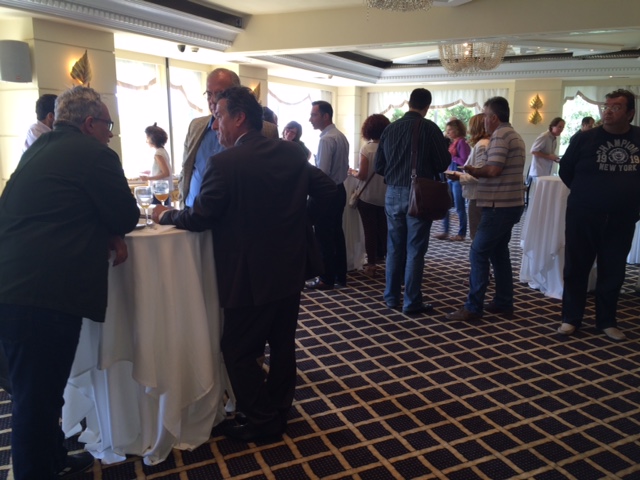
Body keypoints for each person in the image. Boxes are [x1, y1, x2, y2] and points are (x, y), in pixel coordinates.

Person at [152, 86, 335, 442]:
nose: (215, 125)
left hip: (250, 275)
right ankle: (280, 409)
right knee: (283, 344)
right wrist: (297, 221)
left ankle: (264, 420)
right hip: (290, 267)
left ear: (239, 118)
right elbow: (330, 192)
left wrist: (166, 215)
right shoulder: (291, 153)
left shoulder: (224, 163)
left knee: (237, 351)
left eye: (218, 116)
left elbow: (201, 216)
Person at [0, 86, 139, 479]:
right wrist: (110, 230)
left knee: (41, 393)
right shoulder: (95, 154)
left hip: (15, 285)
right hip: (43, 294)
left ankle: (53, 460)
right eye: (108, 125)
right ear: (90, 123)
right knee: (33, 401)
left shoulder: (36, 152)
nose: (111, 134)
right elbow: (125, 215)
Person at [558, 89, 640, 341]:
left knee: (613, 269)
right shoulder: (584, 139)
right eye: (606, 106)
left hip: (622, 216)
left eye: (616, 107)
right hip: (583, 214)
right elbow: (566, 171)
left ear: (630, 113)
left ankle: (606, 321)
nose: (607, 111)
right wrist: (589, 195)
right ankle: (571, 318)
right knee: (576, 267)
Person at [446, 96, 525, 321]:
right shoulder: (514, 134)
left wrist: (470, 170)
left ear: (494, 118)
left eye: (486, 115)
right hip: (510, 203)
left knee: (478, 252)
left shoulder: (500, 135)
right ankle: (503, 301)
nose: (484, 120)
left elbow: (492, 171)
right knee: (499, 254)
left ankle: (473, 307)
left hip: (498, 205)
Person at [374, 88, 450, 314]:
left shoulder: (390, 128)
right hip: (419, 194)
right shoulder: (429, 128)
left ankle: (390, 297)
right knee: (415, 249)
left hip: (393, 193)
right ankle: (411, 302)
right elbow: (442, 164)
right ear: (427, 106)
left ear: (409, 103)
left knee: (394, 247)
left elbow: (379, 166)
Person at [179, 68, 278, 207]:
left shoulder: (266, 130)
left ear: (236, 94)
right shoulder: (195, 126)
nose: (212, 100)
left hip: (230, 220)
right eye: (208, 94)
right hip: (190, 214)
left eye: (219, 94)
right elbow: (186, 168)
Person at [306, 100, 350, 290]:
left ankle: (326, 278)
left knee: (324, 236)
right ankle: (340, 275)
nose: (310, 119)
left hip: (326, 192)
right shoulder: (340, 136)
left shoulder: (326, 139)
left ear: (325, 116)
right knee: (336, 234)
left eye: (314, 115)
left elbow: (321, 173)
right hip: (340, 189)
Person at [349, 113, 390, 277]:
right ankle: (391, 262)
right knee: (385, 231)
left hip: (368, 196)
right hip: (385, 195)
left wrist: (353, 173)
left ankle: (371, 265)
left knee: (369, 231)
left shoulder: (367, 148)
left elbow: (363, 175)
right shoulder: (389, 148)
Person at [446, 113, 490, 241]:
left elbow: (479, 172)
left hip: (477, 192)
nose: (469, 130)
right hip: (473, 187)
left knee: (476, 233)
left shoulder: (481, 144)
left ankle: (462, 234)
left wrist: (459, 176)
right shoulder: (482, 143)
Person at [435, 118, 470, 241]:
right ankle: (445, 231)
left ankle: (461, 233)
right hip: (450, 176)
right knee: (446, 205)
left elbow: (464, 161)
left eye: (450, 130)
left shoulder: (462, 143)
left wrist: (452, 157)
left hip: (458, 177)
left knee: (460, 207)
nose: (447, 132)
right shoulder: (453, 142)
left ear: (456, 130)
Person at [140, 122, 172, 205]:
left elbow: (166, 173)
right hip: (163, 190)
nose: (146, 141)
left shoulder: (158, 154)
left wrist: (148, 178)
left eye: (147, 137)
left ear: (152, 138)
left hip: (160, 190)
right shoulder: (163, 151)